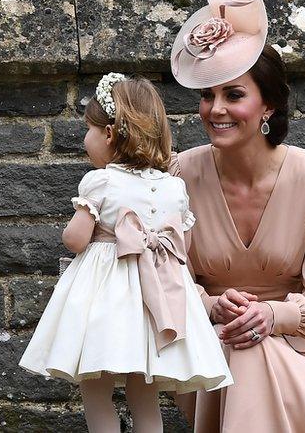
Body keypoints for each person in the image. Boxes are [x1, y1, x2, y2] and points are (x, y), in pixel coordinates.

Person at [168, 0, 305, 432]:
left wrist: (272, 315)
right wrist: (212, 307)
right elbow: (166, 286)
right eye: (208, 95)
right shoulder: (178, 176)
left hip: (297, 357)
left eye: (233, 94)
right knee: (241, 347)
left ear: (268, 105)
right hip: (210, 357)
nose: (216, 110)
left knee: (255, 348)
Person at [19, 74, 232, 432]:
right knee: (144, 391)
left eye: (89, 128)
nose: (85, 138)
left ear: (109, 134)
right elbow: (184, 248)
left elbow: (76, 239)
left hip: (106, 298)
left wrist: (76, 228)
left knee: (95, 384)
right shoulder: (174, 187)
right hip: (154, 301)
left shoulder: (101, 181)